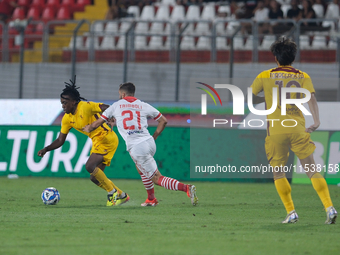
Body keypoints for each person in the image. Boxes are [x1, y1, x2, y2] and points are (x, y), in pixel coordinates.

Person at [250, 37, 337, 224]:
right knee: (312, 170)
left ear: (275, 58)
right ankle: (329, 208)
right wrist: (317, 120)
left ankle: (291, 212)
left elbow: (251, 97)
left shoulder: (265, 75)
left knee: (279, 173)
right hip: (298, 129)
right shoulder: (303, 76)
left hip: (276, 131)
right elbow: (311, 99)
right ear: (293, 58)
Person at [83, 82, 198, 206]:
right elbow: (163, 121)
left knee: (157, 178)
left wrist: (88, 128)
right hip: (149, 142)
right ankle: (151, 199)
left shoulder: (116, 106)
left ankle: (186, 188)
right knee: (141, 170)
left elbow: (97, 123)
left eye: (119, 94)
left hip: (137, 147)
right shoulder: (143, 105)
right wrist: (154, 137)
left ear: (122, 94)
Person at [37, 76, 129, 207]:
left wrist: (112, 116)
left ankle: (112, 193)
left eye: (66, 102)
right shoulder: (67, 119)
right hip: (98, 141)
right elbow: (60, 140)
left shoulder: (85, 107)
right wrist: (46, 149)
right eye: (62, 102)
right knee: (95, 177)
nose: (63, 105)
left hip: (106, 138)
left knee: (89, 166)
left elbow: (105, 107)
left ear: (74, 102)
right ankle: (122, 195)